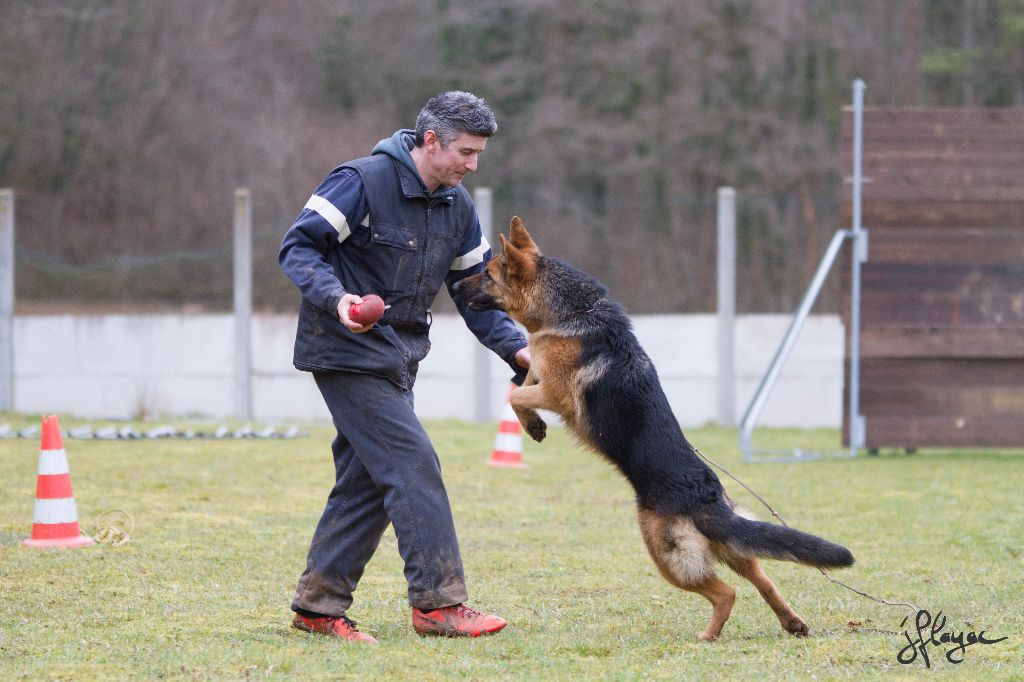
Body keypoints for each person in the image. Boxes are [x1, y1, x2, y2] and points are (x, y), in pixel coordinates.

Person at [279, 91, 529, 643]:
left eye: (479, 154)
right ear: (431, 140)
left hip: (400, 356)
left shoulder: (458, 207)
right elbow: (298, 247)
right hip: (345, 349)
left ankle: (318, 606)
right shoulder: (360, 182)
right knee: (413, 463)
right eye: (466, 152)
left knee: (366, 482)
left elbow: (475, 293)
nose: (473, 165)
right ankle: (439, 604)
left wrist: (518, 350)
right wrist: (339, 300)